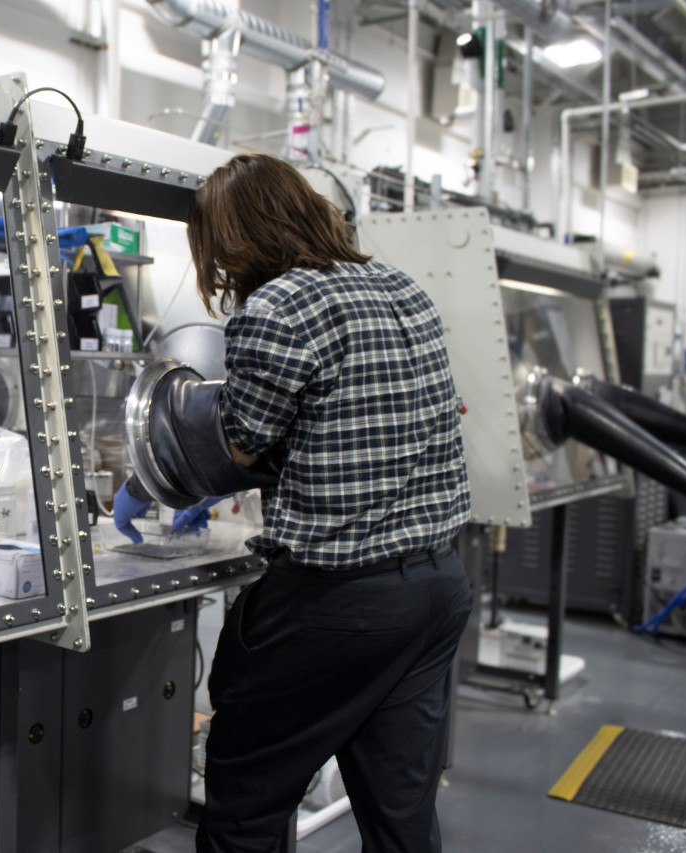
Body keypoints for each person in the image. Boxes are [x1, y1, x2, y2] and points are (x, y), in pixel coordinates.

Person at [117, 153, 472, 852]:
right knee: (401, 818)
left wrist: (171, 470)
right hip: (435, 591)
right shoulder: (402, 287)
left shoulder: (277, 308)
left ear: (236, 238)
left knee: (246, 803)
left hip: (336, 605)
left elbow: (244, 443)